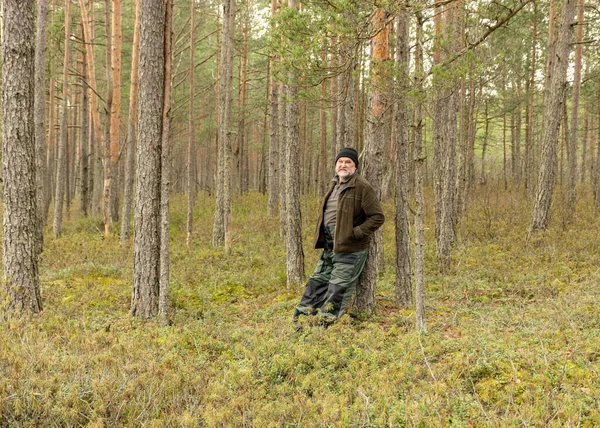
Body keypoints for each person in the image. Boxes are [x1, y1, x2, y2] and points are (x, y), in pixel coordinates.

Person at [293, 147, 385, 329]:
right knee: (317, 281)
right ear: (336, 165)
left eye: (348, 162)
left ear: (355, 167)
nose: (343, 165)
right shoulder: (335, 184)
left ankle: (323, 326)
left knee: (338, 288)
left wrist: (355, 233)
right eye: (340, 161)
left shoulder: (362, 187)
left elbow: (377, 217)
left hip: (350, 249)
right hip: (330, 244)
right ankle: (302, 318)